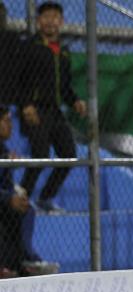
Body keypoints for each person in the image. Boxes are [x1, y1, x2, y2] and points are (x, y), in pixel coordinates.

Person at [18, 2, 86, 213]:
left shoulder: (63, 52)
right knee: (40, 154)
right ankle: (21, 197)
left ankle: (45, 198)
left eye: (55, 17)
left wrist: (75, 101)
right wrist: (26, 105)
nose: (50, 21)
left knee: (68, 155)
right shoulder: (30, 46)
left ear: (62, 21)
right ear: (38, 22)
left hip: (55, 111)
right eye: (46, 17)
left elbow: (64, 86)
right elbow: (17, 79)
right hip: (35, 109)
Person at [0, 105, 56, 277]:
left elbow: (6, 186)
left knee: (26, 209)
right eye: (6, 121)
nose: (11, 125)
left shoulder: (4, 150)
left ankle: (26, 260)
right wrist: (9, 199)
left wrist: (15, 196)